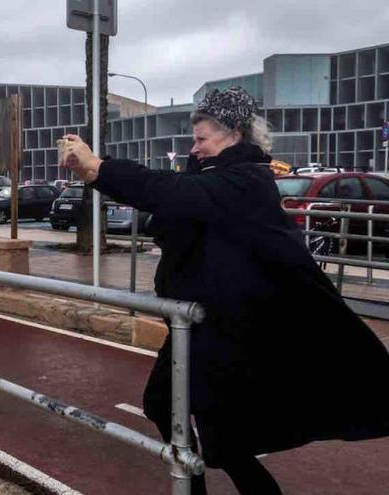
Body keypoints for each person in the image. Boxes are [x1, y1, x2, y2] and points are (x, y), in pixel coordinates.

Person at [59, 87, 389, 495]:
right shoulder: (212, 175)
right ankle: (195, 486)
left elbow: (172, 194)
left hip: (231, 328)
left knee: (215, 432)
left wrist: (101, 167)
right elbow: (167, 202)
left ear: (233, 134)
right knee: (173, 409)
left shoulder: (245, 179)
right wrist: (91, 173)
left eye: (202, 139)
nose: (194, 148)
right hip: (199, 322)